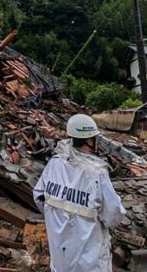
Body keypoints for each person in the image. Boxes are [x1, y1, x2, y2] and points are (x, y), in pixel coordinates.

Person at [33, 114, 126, 272]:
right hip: (90, 263)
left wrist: (61, 219)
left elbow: (39, 197)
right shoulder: (96, 173)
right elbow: (114, 216)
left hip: (60, 259)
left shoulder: (54, 164)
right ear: (90, 140)